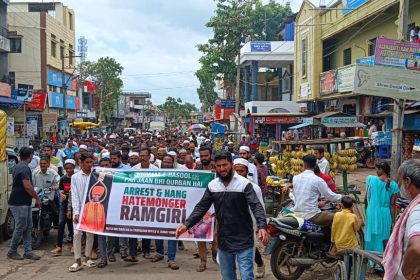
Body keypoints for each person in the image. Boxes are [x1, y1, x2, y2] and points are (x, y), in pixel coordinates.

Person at [176, 150, 269, 280]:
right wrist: (186, 224)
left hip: (244, 239)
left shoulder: (244, 184)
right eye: (219, 166)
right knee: (227, 276)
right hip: (224, 240)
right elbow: (201, 207)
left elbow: (256, 205)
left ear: (231, 164)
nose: (222, 169)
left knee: (247, 276)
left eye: (225, 165)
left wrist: (262, 226)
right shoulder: (213, 186)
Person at [383, 159, 420, 280]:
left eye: (399, 182)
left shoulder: (417, 210)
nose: (399, 187)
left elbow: (417, 247)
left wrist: (406, 271)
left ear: (407, 181)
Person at [233, 158, 266, 279]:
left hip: (248, 226)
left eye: (241, 171)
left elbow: (260, 208)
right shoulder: (226, 186)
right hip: (230, 227)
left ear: (247, 171)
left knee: (246, 259)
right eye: (235, 170)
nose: (238, 174)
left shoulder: (254, 188)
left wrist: (261, 227)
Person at [7, 147, 41, 260]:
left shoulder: (18, 166)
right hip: (19, 202)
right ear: (30, 156)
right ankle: (12, 251)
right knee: (21, 227)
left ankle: (28, 251)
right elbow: (27, 186)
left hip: (22, 202)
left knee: (28, 226)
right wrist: (37, 198)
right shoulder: (24, 168)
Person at [288, 155, 341, 226]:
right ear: (315, 165)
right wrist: (342, 198)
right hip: (312, 215)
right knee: (341, 217)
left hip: (296, 213)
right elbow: (330, 196)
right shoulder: (318, 180)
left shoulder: (295, 178)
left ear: (304, 164)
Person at [364, 162, 399, 256]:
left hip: (372, 212)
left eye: (377, 169)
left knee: (372, 236)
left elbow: (367, 198)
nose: (376, 171)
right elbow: (392, 205)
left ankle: (371, 259)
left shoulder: (371, 179)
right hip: (385, 213)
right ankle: (382, 259)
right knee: (383, 236)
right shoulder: (394, 185)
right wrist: (393, 221)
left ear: (381, 170)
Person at [151, 154, 179, 270]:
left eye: (169, 162)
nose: (167, 164)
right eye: (165, 161)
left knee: (173, 233)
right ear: (161, 162)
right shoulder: (155, 174)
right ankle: (159, 253)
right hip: (158, 207)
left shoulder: (178, 175)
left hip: (173, 208)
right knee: (158, 231)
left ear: (173, 163)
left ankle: (171, 259)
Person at [69, 153, 96, 272]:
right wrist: (76, 212)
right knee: (77, 234)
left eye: (91, 162)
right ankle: (77, 260)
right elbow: (74, 195)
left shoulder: (96, 175)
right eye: (87, 162)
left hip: (93, 209)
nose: (90, 165)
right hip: (79, 210)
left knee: (90, 234)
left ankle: (87, 258)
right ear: (81, 163)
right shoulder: (75, 177)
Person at [51, 159, 76, 256]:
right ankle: (59, 246)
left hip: (74, 204)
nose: (69, 170)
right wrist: (61, 195)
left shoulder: (76, 178)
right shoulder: (63, 179)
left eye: (70, 168)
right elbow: (61, 190)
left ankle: (74, 244)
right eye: (67, 168)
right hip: (64, 204)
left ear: (74, 167)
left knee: (72, 225)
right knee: (61, 223)